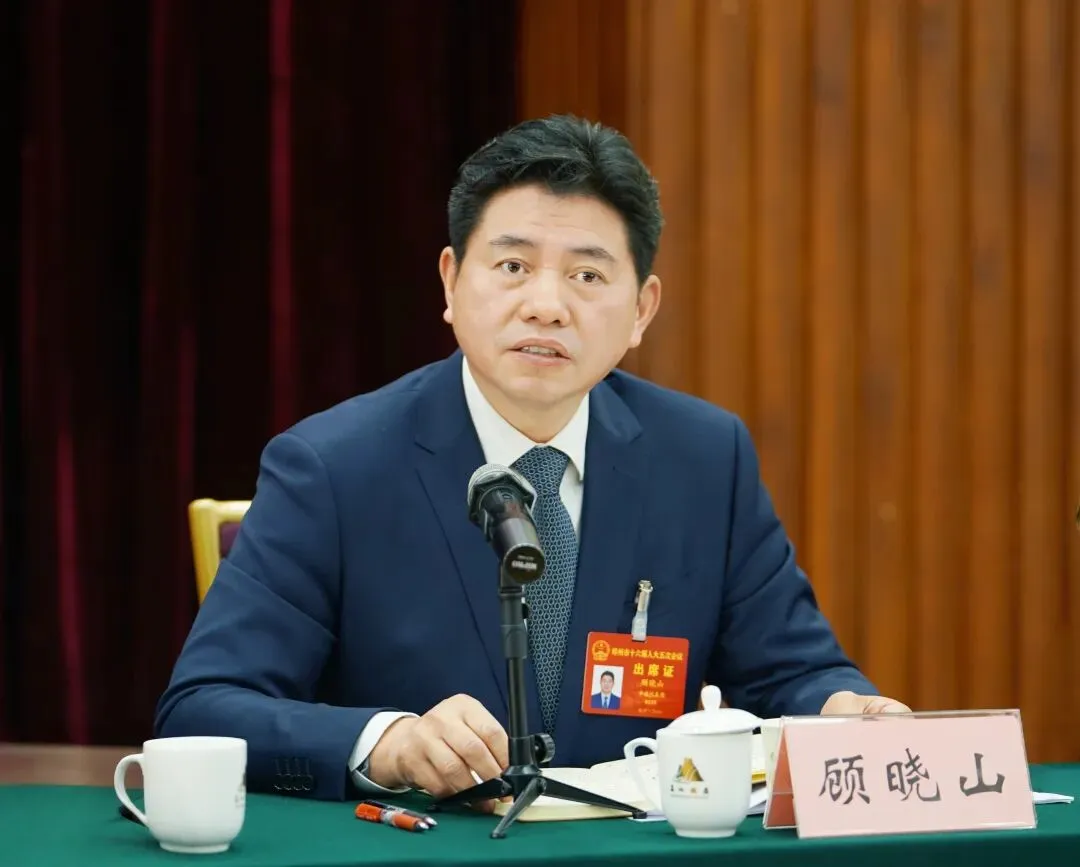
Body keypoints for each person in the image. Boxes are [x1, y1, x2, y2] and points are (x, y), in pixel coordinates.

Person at [155, 114, 909, 807]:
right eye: (513, 266)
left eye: (587, 276)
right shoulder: (333, 467)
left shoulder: (705, 459)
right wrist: (387, 742)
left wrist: (847, 710)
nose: (547, 305)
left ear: (641, 309)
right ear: (451, 282)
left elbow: (793, 673)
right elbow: (203, 708)